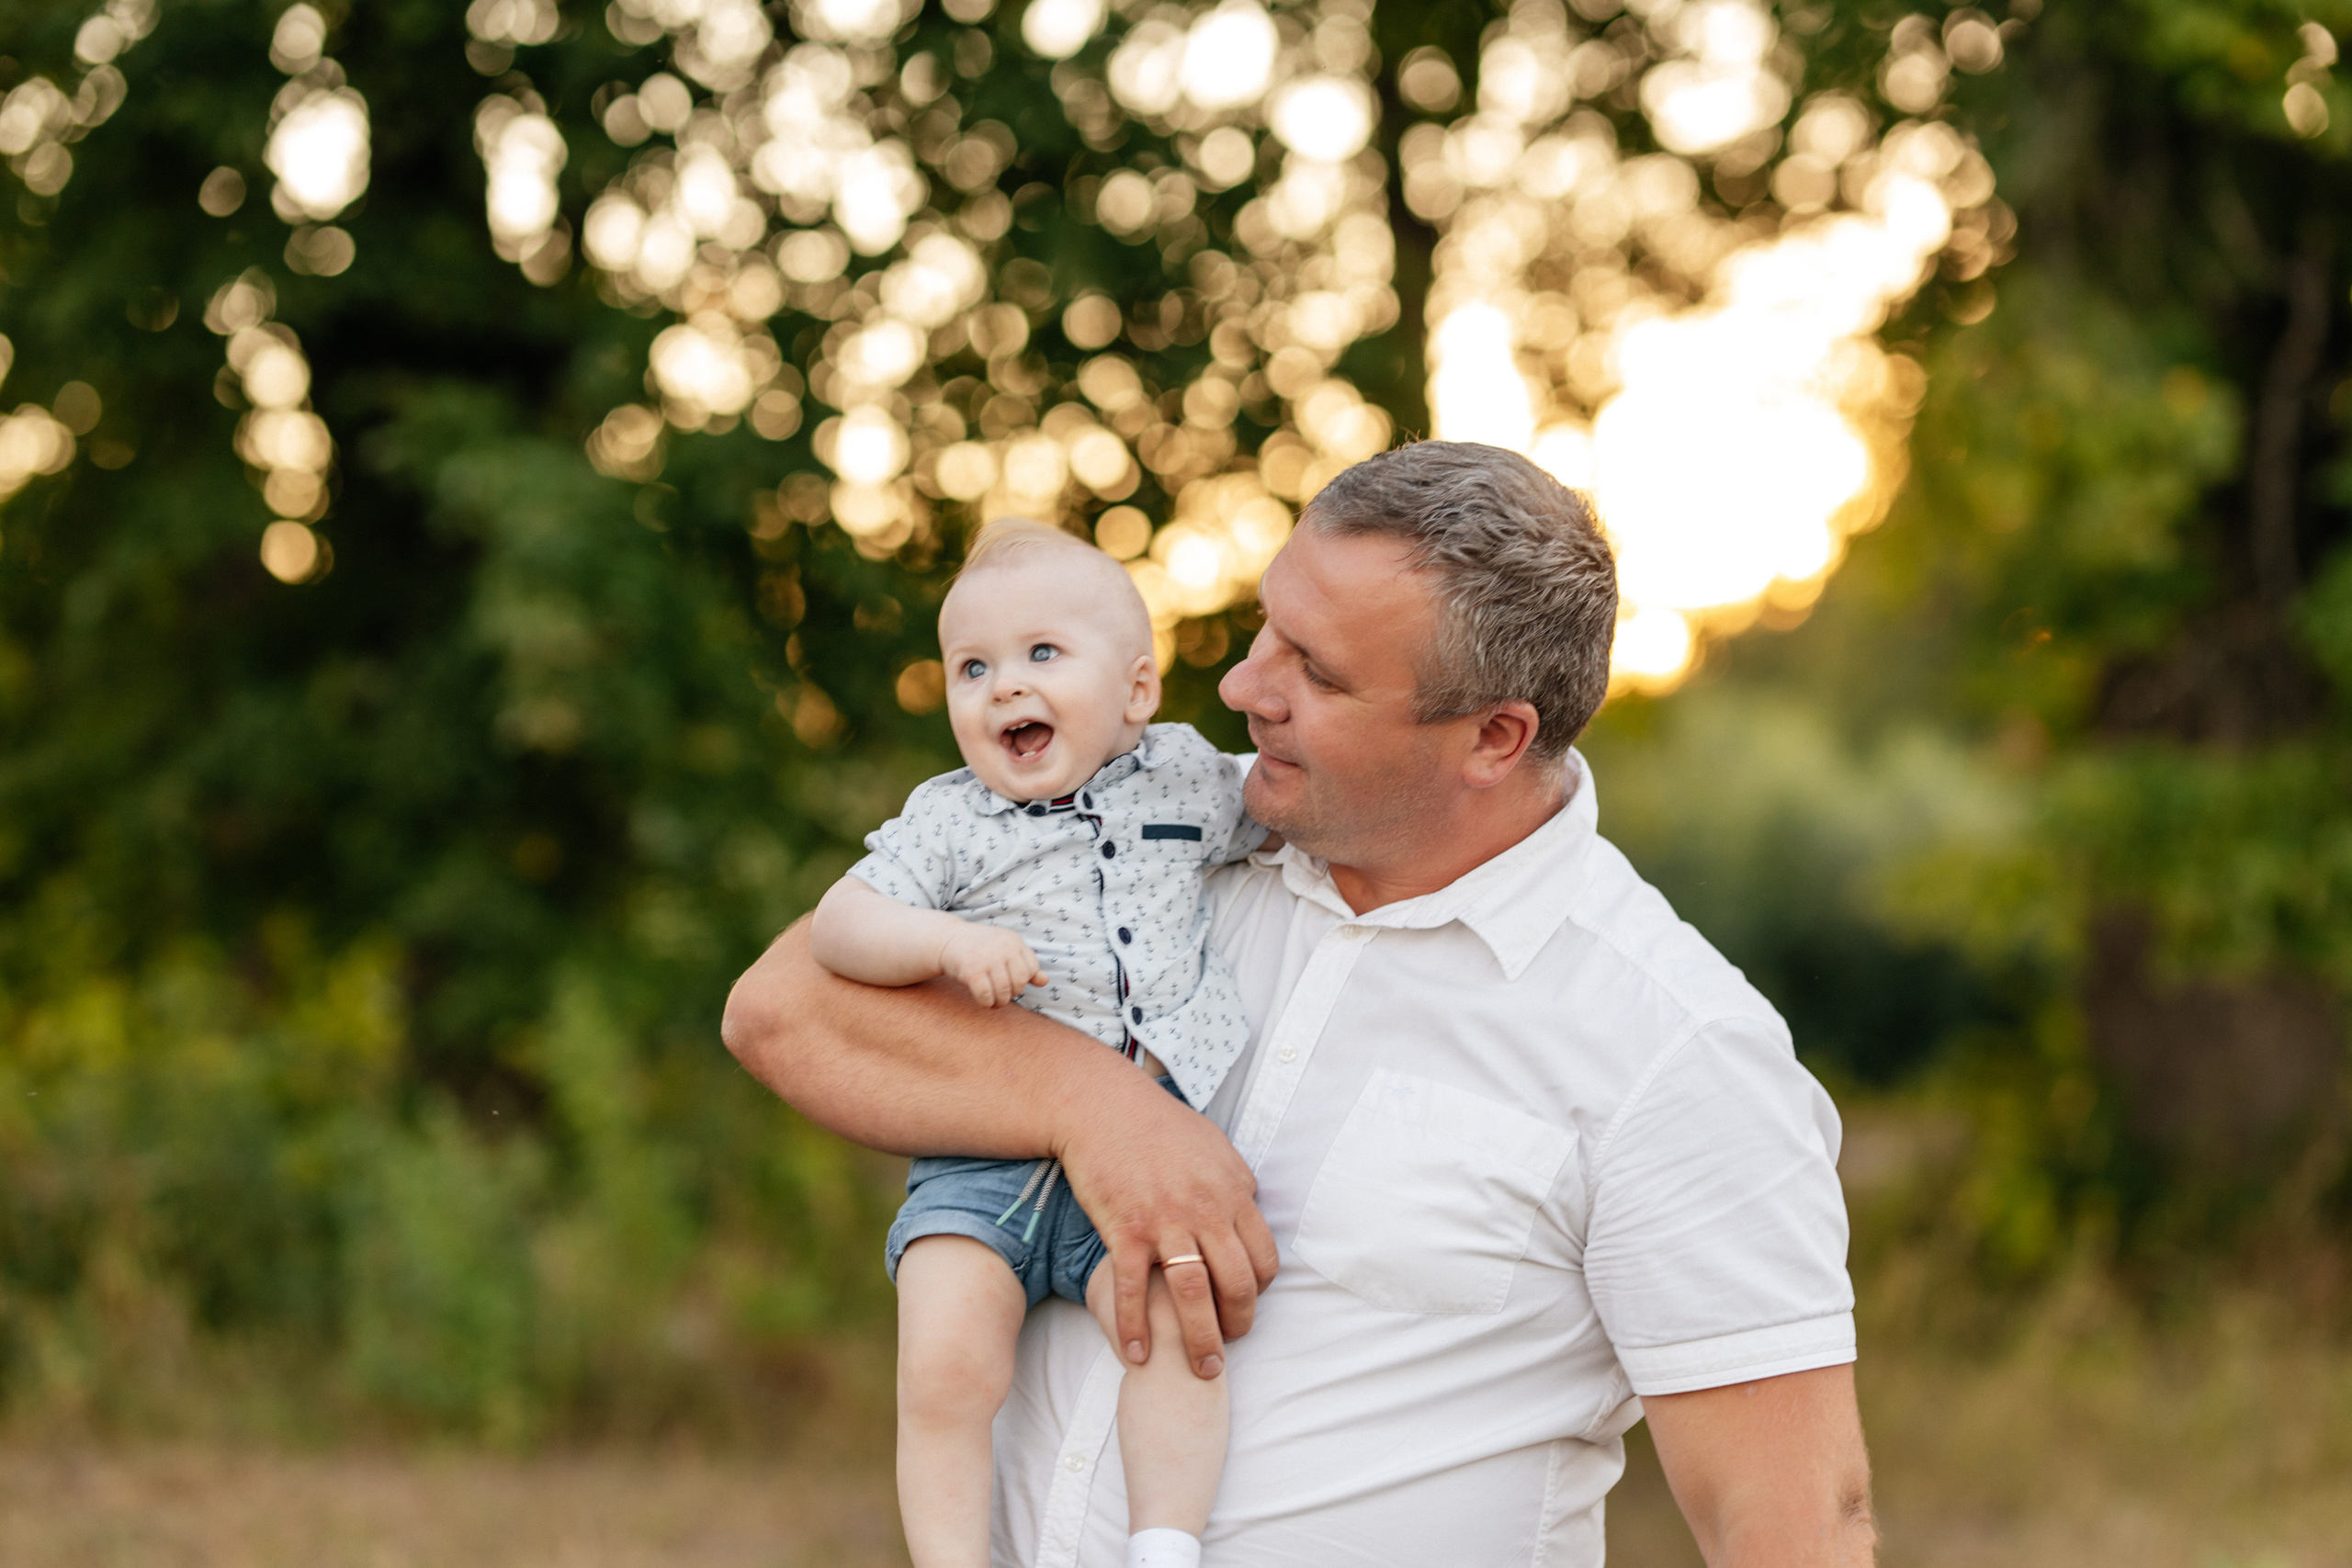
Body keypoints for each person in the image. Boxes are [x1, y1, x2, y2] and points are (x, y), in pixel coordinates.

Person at [727, 442, 1875, 1567]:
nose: (1241, 686)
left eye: (1316, 673)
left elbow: (1793, 1532)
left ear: (1494, 737)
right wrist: (1094, 1108)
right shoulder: (1164, 825)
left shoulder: (1679, 1052)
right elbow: (782, 1008)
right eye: (1267, 626)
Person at [808, 520, 1261, 1568]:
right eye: (972, 668)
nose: (1004, 685)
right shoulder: (950, 820)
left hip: (1146, 1151)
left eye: (1042, 653)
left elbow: (1293, 819)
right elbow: (839, 923)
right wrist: (945, 941)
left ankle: (1164, 1547)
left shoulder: (1189, 778)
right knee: (942, 1362)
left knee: (1177, 1328)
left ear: (1137, 690)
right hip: (981, 1161)